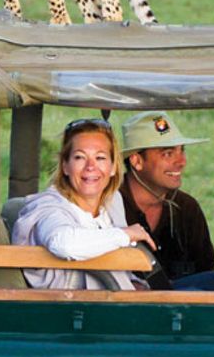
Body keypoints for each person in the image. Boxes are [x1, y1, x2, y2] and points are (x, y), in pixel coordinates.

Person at [12, 117, 156, 290]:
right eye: (80, 157)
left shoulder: (112, 201)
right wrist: (125, 234)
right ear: (65, 166)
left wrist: (136, 284)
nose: (90, 167)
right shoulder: (47, 207)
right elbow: (63, 244)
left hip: (119, 303)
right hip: (71, 311)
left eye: (100, 158)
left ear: (112, 167)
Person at [119, 111, 214, 291]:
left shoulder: (187, 208)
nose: (182, 162)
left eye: (182, 151)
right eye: (168, 153)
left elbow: (207, 272)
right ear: (136, 161)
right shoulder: (107, 205)